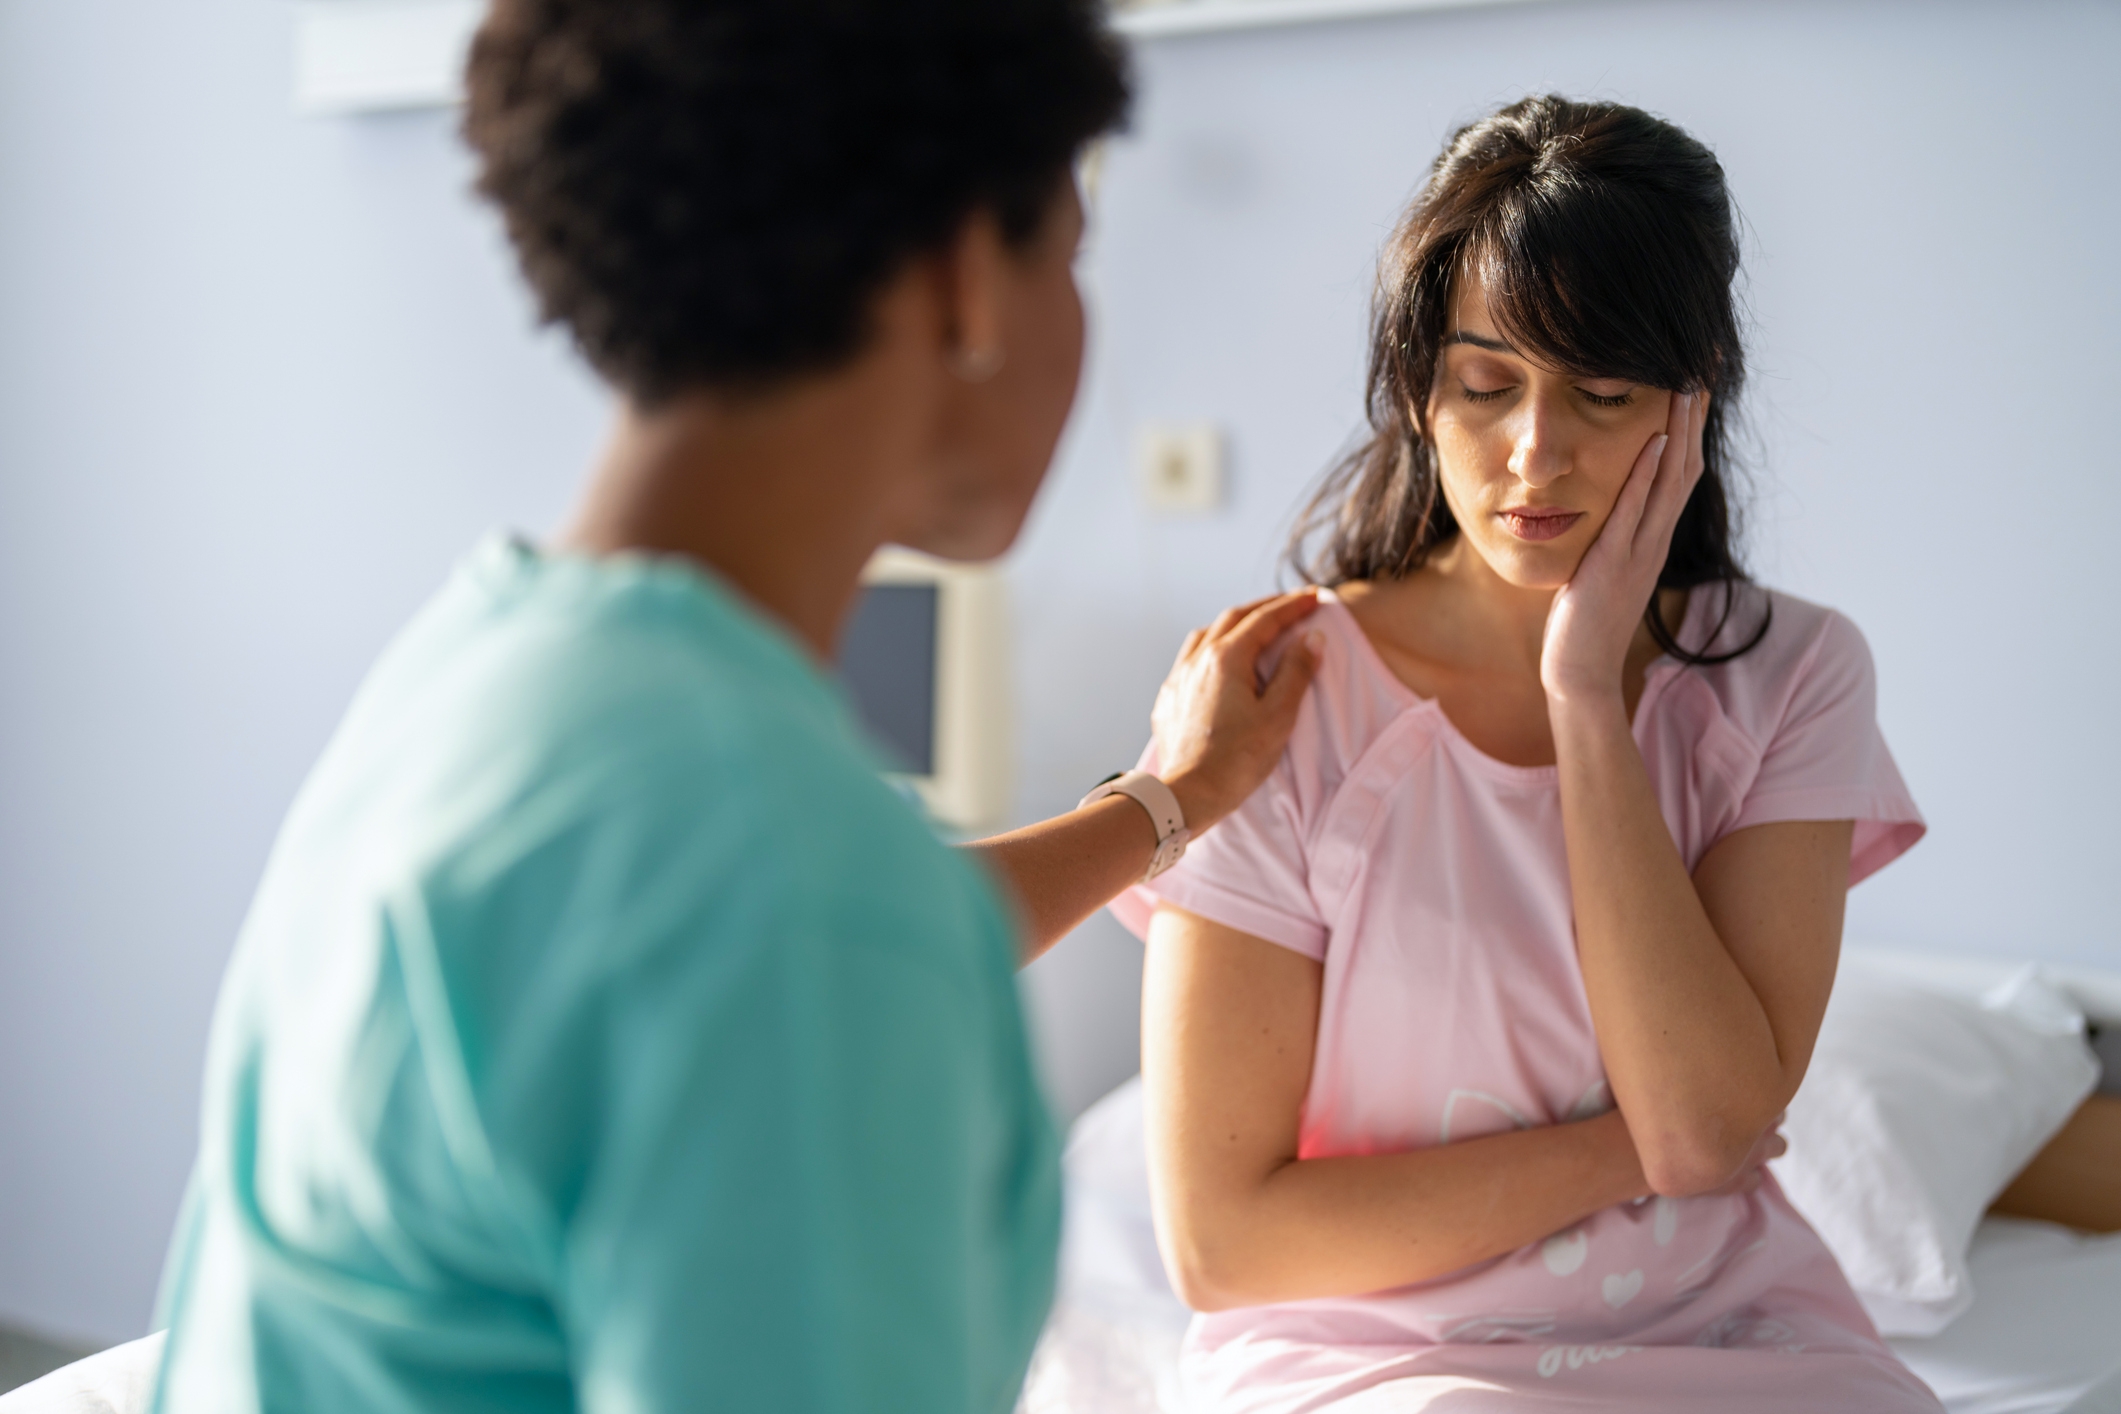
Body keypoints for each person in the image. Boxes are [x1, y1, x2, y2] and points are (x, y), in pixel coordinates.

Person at [147, 2, 1320, 1411]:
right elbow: (789, 936)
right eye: (1069, 253)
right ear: (965, 277)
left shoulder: (502, 673)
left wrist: (1169, 806)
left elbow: (748, 958)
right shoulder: (774, 871)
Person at [1114, 97, 1948, 1410]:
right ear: (1416, 390)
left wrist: (1583, 700)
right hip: (1379, 1355)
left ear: (1693, 392)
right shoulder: (1281, 696)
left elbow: (1711, 1113)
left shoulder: (1791, 672)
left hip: (1729, 1330)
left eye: (1603, 394)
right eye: (1485, 385)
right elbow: (1225, 1241)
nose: (1534, 453)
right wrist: (1645, 1151)